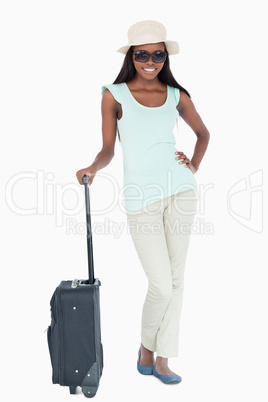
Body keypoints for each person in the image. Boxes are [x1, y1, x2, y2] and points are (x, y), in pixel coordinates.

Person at [76, 20, 210, 385]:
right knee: (161, 284)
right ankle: (145, 349)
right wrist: (94, 167)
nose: (150, 61)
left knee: (177, 281)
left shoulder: (175, 95)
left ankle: (161, 357)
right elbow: (108, 149)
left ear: (165, 57)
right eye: (142, 55)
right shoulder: (113, 95)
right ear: (132, 57)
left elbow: (203, 133)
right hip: (141, 198)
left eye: (157, 54)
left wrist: (193, 165)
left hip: (180, 190)